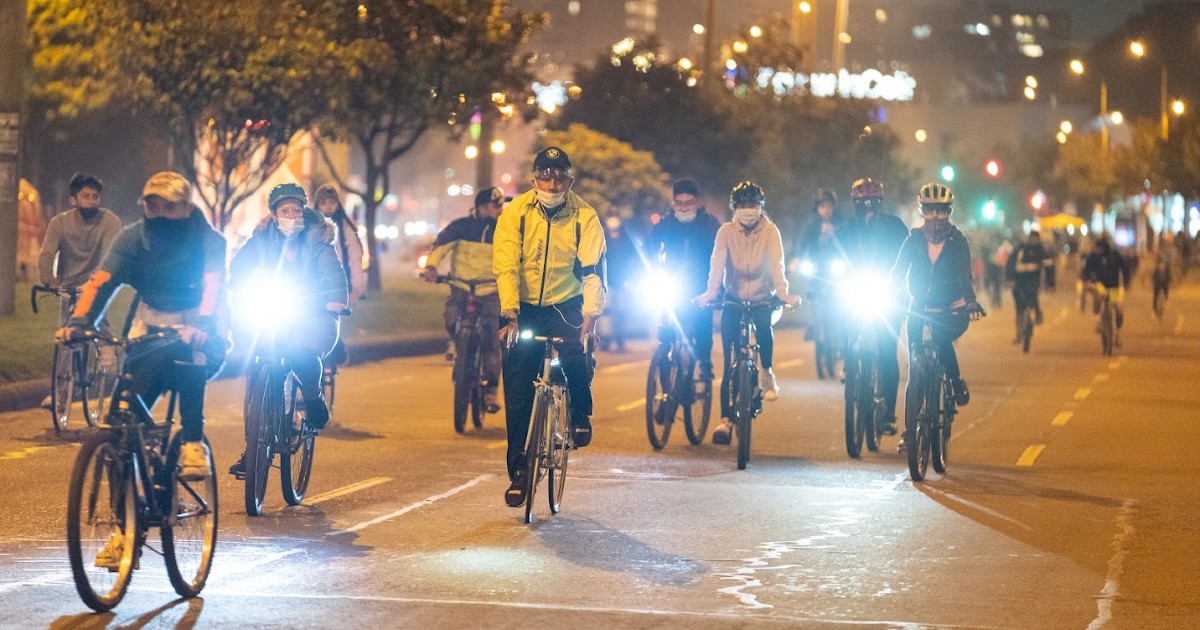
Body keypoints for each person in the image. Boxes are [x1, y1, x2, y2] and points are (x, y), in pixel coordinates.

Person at [58, 171, 227, 483]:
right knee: (120, 425)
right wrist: (80, 323)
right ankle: (125, 520)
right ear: (143, 208)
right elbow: (101, 283)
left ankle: (192, 442)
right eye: (153, 207)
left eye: (170, 207)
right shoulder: (132, 239)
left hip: (200, 328)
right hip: (148, 329)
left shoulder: (208, 240)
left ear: (187, 209)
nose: (160, 214)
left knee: (189, 359)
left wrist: (203, 324)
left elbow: (213, 286)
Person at [494, 147, 606, 508]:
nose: (553, 183)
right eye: (546, 176)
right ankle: (519, 473)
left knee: (575, 354)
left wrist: (591, 316)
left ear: (570, 181)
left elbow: (593, 270)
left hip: (567, 304)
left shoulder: (584, 216)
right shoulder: (515, 213)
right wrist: (509, 313)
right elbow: (506, 265)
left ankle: (580, 412)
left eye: (560, 177)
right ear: (534, 179)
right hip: (523, 307)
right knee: (517, 388)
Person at [227, 183, 348, 475]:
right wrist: (235, 286)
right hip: (273, 311)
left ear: (304, 212)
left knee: (300, 353)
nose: (291, 215)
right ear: (273, 213)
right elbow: (240, 267)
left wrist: (335, 300)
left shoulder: (319, 239)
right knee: (256, 371)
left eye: (296, 210)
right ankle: (253, 445)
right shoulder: (262, 239)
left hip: (314, 314)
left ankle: (312, 396)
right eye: (285, 210)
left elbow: (334, 273)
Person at [695, 182, 801, 445]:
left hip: (762, 298)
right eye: (742, 206)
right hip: (732, 299)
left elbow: (777, 265)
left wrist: (784, 294)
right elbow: (717, 264)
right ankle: (725, 421)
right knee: (730, 359)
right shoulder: (725, 232)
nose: (747, 211)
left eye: (752, 205)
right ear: (735, 208)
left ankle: (766, 374)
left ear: (761, 208)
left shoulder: (771, 231)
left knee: (764, 329)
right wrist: (710, 292)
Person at [890, 183, 985, 448]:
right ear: (922, 211)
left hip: (952, 310)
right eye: (930, 211)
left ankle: (954, 381)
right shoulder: (913, 240)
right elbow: (897, 274)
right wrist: (885, 296)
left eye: (941, 211)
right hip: (919, 310)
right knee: (914, 369)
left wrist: (971, 302)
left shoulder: (958, 241)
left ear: (949, 212)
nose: (935, 217)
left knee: (941, 338)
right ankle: (911, 431)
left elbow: (964, 276)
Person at [422, 185, 508, 413]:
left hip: (490, 291)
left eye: (501, 205)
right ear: (481, 207)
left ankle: (491, 389)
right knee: (451, 317)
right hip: (461, 287)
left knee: (492, 336)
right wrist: (431, 266)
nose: (500, 209)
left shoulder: (506, 231)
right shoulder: (460, 227)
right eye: (495, 205)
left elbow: (515, 260)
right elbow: (441, 246)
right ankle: (454, 342)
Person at [836, 177, 908, 433]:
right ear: (854, 204)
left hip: (887, 296)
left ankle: (888, 413)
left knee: (888, 352)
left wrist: (904, 285)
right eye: (861, 204)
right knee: (840, 317)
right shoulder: (844, 230)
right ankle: (847, 361)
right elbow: (832, 260)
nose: (867, 209)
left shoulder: (895, 227)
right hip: (854, 293)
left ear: (879, 203)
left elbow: (909, 257)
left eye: (872, 203)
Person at [644, 178, 721, 382]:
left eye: (689, 203)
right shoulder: (665, 225)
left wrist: (716, 286)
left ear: (697, 203)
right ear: (673, 204)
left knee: (702, 326)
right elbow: (647, 248)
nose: (684, 208)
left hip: (701, 287)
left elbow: (721, 254)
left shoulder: (710, 225)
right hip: (672, 284)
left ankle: (704, 362)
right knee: (665, 335)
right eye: (680, 203)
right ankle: (665, 393)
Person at [38, 172, 124, 322]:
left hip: (95, 287)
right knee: (65, 336)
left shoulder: (109, 221)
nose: (91, 201)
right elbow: (47, 254)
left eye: (95, 196)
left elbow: (109, 256)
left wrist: (95, 283)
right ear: (73, 200)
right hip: (67, 289)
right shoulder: (59, 223)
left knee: (98, 332)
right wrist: (48, 278)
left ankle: (104, 345)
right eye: (85, 196)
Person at [600, 211, 640, 352]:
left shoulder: (625, 239)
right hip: (606, 282)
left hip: (623, 282)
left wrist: (632, 277)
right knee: (606, 312)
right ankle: (605, 339)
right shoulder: (602, 237)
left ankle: (620, 339)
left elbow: (634, 258)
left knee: (622, 312)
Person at [1080, 233, 1130, 342]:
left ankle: (1117, 333)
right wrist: (1086, 280)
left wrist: (1126, 282)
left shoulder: (1115, 255)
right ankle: (1098, 321)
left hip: (1114, 286)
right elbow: (1086, 270)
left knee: (1118, 309)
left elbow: (1125, 268)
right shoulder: (1093, 256)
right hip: (1100, 285)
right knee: (1098, 299)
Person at [1005, 230, 1048, 341]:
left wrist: (1047, 283)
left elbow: (1047, 266)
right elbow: (1010, 264)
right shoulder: (1019, 249)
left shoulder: (1041, 250)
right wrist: (1009, 279)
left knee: (1033, 297)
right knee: (1019, 309)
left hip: (1033, 281)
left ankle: (1037, 314)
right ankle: (1019, 334)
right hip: (1019, 281)